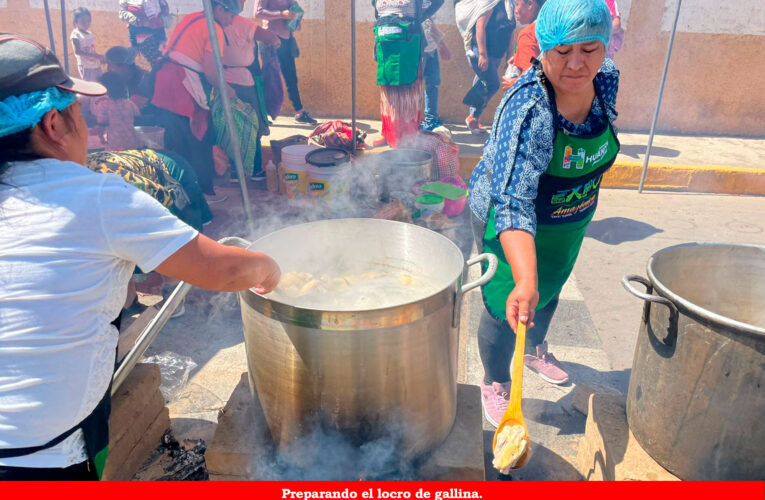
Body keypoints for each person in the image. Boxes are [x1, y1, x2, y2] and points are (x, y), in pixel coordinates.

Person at [0, 34, 280, 480]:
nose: (86, 128)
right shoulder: (94, 195)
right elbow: (224, 270)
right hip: (38, 458)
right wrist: (270, 267)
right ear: (53, 124)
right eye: (80, 115)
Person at [467, 0, 619, 427]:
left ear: (604, 47)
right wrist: (525, 278)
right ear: (543, 49)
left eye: (589, 49)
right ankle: (494, 381)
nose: (576, 64)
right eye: (563, 51)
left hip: (569, 217)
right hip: (509, 221)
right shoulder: (527, 109)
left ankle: (534, 350)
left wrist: (538, 280)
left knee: (551, 285)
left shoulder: (605, 79)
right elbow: (514, 201)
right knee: (507, 304)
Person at [150, 0, 241, 201]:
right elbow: (210, 71)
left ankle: (178, 194)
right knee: (199, 139)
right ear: (219, 9)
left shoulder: (192, 17)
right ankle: (203, 193)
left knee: (176, 141)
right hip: (181, 84)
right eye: (230, 15)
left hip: (164, 80)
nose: (231, 20)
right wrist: (227, 90)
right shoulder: (214, 27)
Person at [372, 0, 444, 147]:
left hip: (409, 40)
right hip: (386, 40)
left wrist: (418, 18)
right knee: (388, 89)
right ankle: (387, 133)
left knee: (407, 92)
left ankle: (406, 137)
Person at [222, 9, 281, 180]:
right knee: (252, 125)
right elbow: (271, 38)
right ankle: (254, 169)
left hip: (222, 81)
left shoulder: (213, 23)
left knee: (231, 126)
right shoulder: (242, 23)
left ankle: (234, 170)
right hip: (245, 83)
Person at [253, 0, 318, 125]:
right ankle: (263, 114)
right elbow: (258, 12)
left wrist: (296, 21)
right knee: (269, 79)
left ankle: (299, 112)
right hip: (271, 40)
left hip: (287, 39)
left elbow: (293, 10)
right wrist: (281, 14)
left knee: (291, 78)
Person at [456, 0, 515, 134]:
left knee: (482, 81)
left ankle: (474, 120)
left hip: (496, 55)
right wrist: (482, 54)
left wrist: (509, 55)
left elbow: (511, 32)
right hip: (481, 52)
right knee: (493, 84)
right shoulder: (490, 3)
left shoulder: (510, 5)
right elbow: (480, 26)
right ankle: (472, 117)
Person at [501, 0, 544, 90]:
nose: (515, 10)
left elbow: (533, 72)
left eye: (517, 4)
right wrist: (518, 55)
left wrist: (513, 83)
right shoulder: (549, 26)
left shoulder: (528, 34)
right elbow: (538, 61)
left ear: (530, 4)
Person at [92, 72, 141, 151]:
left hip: (114, 145)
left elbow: (101, 125)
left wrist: (101, 138)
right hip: (132, 144)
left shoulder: (103, 105)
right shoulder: (129, 104)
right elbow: (137, 116)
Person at [119, 0, 172, 68]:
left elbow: (164, 9)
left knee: (158, 61)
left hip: (150, 33)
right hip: (146, 35)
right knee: (158, 62)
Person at [421, 15, 451, 131]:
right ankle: (411, 122)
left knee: (433, 84)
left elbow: (429, 23)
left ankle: (430, 120)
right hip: (417, 49)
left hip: (431, 49)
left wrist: (441, 45)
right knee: (414, 86)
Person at [104, 46, 153, 110]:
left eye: (111, 66)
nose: (108, 69)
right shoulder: (119, 76)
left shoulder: (142, 82)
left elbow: (130, 110)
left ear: (125, 66)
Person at [70, 7, 104, 82]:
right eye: (82, 21)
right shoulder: (76, 34)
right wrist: (96, 56)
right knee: (90, 87)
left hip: (95, 64)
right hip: (86, 67)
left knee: (100, 85)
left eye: (88, 21)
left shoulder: (89, 33)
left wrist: (99, 59)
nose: (86, 23)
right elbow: (77, 51)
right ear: (75, 22)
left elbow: (92, 49)